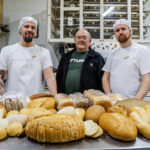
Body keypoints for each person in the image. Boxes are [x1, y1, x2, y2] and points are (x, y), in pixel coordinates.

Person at [0, 16, 57, 96]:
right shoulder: (7, 51)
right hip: (13, 102)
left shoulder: (44, 52)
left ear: (35, 32)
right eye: (26, 26)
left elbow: (49, 77)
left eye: (33, 27)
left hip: (35, 101)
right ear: (20, 29)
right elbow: (1, 76)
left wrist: (55, 97)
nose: (29, 29)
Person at [102, 19, 150, 99]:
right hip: (115, 102)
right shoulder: (112, 54)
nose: (120, 32)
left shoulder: (142, 50)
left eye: (123, 29)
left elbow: (147, 77)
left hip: (134, 101)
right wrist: (109, 96)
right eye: (117, 30)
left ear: (130, 31)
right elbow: (105, 77)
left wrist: (137, 99)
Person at [56, 29, 105, 94]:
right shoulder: (66, 57)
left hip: (89, 100)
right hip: (67, 99)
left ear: (89, 41)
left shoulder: (97, 57)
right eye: (78, 37)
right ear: (75, 40)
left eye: (84, 38)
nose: (81, 40)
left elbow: (103, 79)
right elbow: (59, 77)